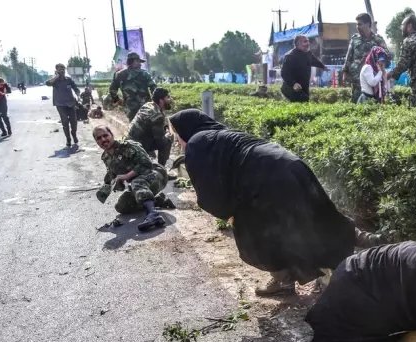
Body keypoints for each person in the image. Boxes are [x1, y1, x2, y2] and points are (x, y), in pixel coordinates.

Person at [168, 109, 359, 296]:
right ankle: (348, 271)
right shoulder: (220, 134)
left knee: (256, 235)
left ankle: (284, 280)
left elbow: (209, 191)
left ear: (186, 130)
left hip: (267, 178)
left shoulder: (196, 143)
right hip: (291, 165)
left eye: (177, 136)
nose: (178, 142)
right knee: (313, 219)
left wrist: (229, 215)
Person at [93, 125, 175, 232]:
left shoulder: (128, 145)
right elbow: (113, 175)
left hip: (156, 174)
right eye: (99, 138)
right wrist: (114, 184)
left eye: (105, 135)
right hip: (140, 183)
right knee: (121, 206)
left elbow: (146, 164)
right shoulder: (106, 157)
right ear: (96, 142)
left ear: (111, 135)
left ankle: (153, 214)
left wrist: (126, 176)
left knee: (136, 182)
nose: (103, 139)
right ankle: (157, 199)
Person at [342, 13, 390, 103]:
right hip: (357, 80)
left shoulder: (378, 40)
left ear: (368, 24)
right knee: (356, 104)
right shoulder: (355, 39)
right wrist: (345, 72)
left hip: (372, 82)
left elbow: (386, 55)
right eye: (357, 24)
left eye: (359, 24)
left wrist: (381, 63)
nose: (357, 27)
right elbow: (349, 56)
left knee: (372, 105)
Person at [127, 87, 174, 166]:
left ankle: (149, 156)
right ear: (161, 100)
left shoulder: (148, 105)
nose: (170, 99)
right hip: (138, 147)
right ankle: (162, 169)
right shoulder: (157, 115)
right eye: (168, 97)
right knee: (169, 138)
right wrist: (170, 132)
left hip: (130, 143)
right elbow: (160, 140)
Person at [108, 52, 157, 121]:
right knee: (147, 127)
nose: (140, 64)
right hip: (146, 108)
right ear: (135, 61)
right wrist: (156, 104)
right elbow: (154, 90)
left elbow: (112, 90)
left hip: (130, 109)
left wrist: (118, 100)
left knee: (134, 127)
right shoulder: (144, 74)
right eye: (139, 62)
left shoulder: (119, 75)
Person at [280, 35, 328, 103]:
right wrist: (293, 84)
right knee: (296, 105)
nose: (308, 43)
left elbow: (313, 60)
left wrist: (322, 66)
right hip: (292, 88)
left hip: (304, 87)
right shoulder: (290, 56)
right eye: (305, 42)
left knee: (305, 102)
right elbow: (284, 73)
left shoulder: (308, 53)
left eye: (308, 41)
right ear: (298, 43)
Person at [46, 63, 81, 147]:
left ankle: (74, 134)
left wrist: (78, 94)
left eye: (63, 69)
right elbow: (48, 83)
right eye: (60, 69)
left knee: (74, 122)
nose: (62, 71)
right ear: (56, 71)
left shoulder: (68, 80)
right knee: (65, 122)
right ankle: (68, 139)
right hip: (60, 104)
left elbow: (75, 88)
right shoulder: (54, 81)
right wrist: (56, 76)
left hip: (70, 103)